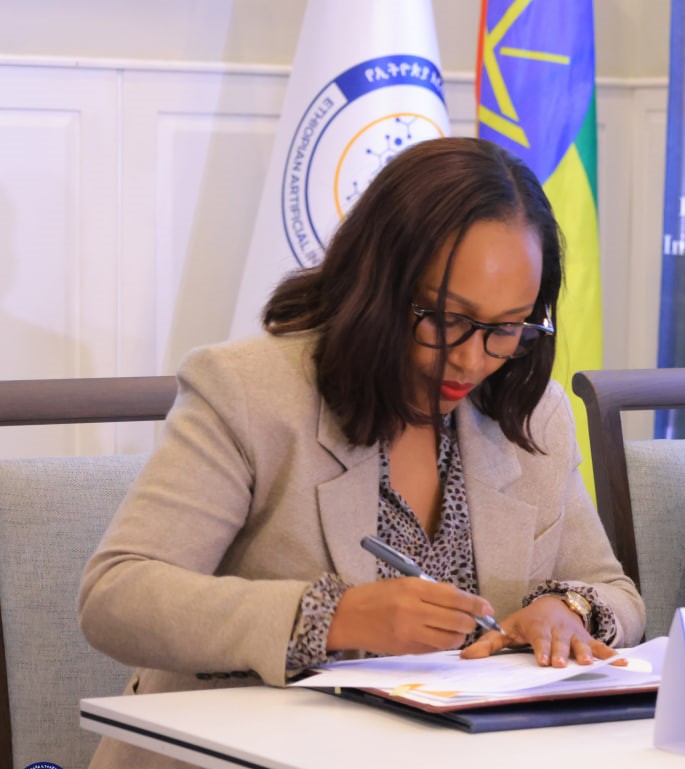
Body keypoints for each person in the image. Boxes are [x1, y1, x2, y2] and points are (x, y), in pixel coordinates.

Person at [79, 137, 644, 768]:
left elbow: (613, 590)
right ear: (379, 285)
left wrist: (567, 610)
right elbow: (116, 597)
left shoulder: (528, 411)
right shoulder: (249, 391)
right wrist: (332, 617)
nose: (471, 359)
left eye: (506, 327)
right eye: (446, 319)